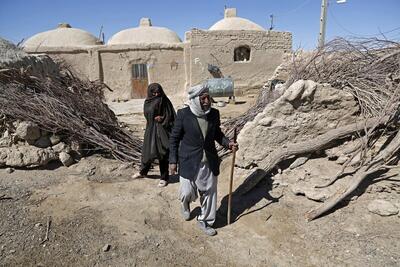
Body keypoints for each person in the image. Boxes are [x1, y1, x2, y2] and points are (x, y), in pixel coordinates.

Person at [169, 83, 238, 236]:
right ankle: (185, 203)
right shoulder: (183, 114)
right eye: (203, 98)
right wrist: (173, 160)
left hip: (209, 161)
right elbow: (174, 139)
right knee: (187, 192)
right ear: (194, 99)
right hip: (188, 160)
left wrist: (228, 143)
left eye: (208, 98)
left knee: (209, 192)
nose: (207, 101)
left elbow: (217, 134)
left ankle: (205, 220)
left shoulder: (214, 114)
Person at [132, 83, 176, 187]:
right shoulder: (148, 101)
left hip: (162, 130)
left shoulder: (164, 100)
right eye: (154, 92)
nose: (156, 94)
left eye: (158, 92)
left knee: (162, 153)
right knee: (147, 152)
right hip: (151, 129)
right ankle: (143, 172)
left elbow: (170, 115)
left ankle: (164, 178)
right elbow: (147, 114)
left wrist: (162, 118)